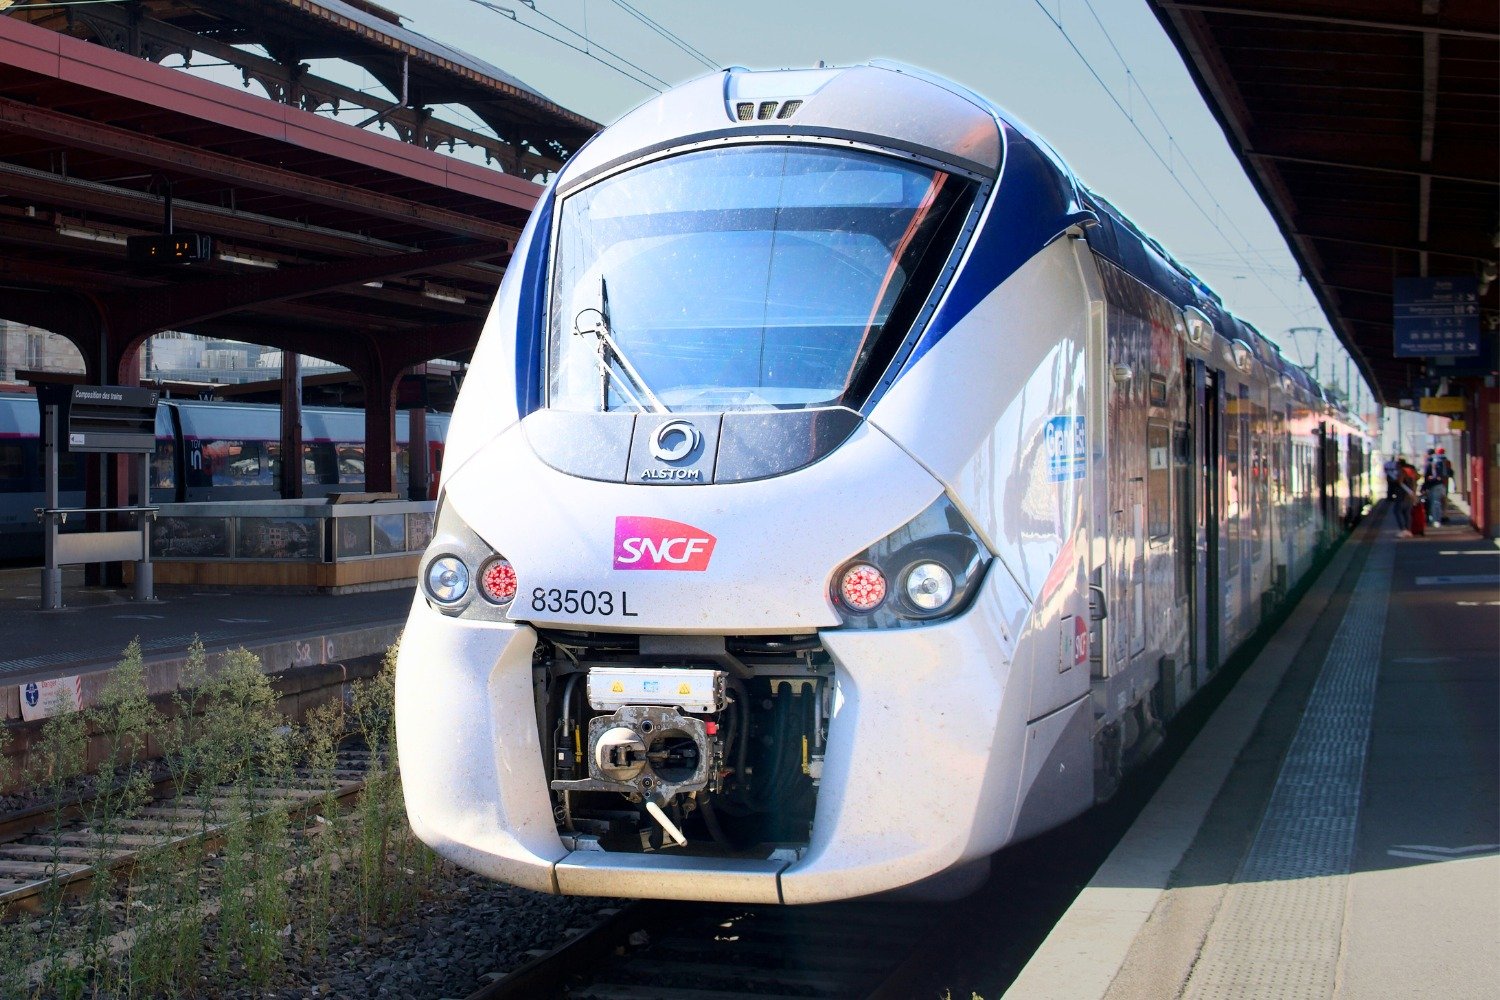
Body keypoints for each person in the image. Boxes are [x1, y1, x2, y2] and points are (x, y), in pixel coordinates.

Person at [1427, 447, 1452, 525]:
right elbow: (1450, 472)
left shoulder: (1434, 460)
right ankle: (1444, 515)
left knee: (1435, 501)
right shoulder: (1447, 461)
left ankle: (1436, 519)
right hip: (1445, 482)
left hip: (1436, 483)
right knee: (1444, 500)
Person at [1395, 460, 1418, 536]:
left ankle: (1403, 529)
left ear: (1400, 465)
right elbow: (1415, 481)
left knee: (1397, 511)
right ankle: (1408, 530)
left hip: (1402, 495)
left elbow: (1400, 482)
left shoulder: (1402, 471)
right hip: (1410, 495)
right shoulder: (1411, 471)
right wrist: (1414, 494)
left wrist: (1396, 480)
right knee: (1407, 513)